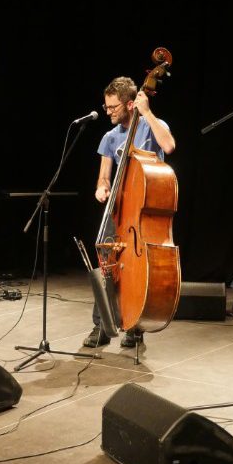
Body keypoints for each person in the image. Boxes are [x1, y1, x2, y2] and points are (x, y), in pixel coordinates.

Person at [82, 76, 176, 348]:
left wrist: (147, 112)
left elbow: (168, 146)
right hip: (118, 211)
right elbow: (104, 176)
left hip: (143, 212)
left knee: (138, 270)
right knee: (106, 265)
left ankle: (135, 325)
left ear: (129, 104)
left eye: (112, 107)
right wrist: (101, 188)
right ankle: (102, 326)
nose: (107, 112)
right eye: (106, 106)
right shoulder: (110, 137)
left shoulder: (151, 125)